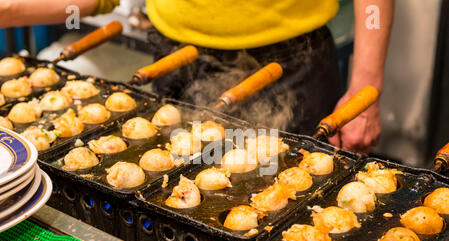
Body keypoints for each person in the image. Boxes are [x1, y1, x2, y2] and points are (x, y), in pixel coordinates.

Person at [0, 0, 394, 154]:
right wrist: (10, 9)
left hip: (292, 67)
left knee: (288, 206)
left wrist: (365, 85)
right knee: (182, 197)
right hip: (175, 64)